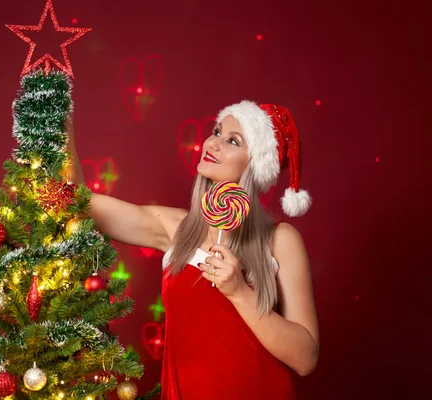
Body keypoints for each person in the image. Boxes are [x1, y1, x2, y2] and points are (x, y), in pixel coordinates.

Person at [66, 100, 319, 399]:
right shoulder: (175, 228)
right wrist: (63, 124)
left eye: (233, 141)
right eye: (217, 131)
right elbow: (75, 203)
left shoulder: (280, 240)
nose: (213, 142)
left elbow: (305, 358)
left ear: (254, 165)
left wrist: (239, 291)